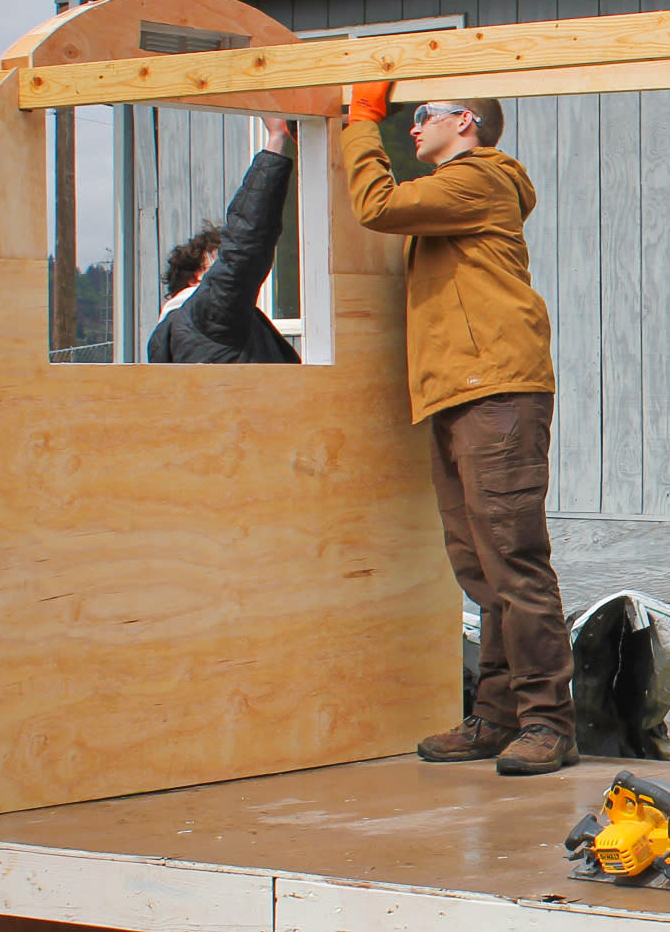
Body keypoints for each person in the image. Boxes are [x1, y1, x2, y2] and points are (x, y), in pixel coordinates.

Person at [342, 85, 577, 776]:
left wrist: (361, 124)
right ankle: (498, 716)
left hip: (497, 387)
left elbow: (376, 205)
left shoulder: (478, 177)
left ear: (464, 123)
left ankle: (548, 722)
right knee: (478, 566)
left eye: (422, 116)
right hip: (458, 390)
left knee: (513, 558)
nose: (409, 130)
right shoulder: (457, 191)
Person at [146, 118, 304, 365]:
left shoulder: (174, 334)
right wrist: (277, 138)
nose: (222, 265)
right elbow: (244, 246)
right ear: (195, 278)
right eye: (216, 260)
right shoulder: (205, 315)